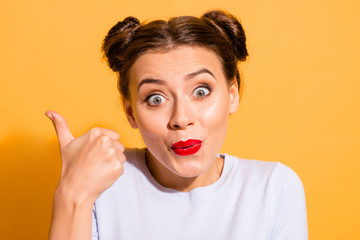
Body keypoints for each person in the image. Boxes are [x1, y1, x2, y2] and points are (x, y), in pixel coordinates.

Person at [47, 10, 308, 240]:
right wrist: (71, 194)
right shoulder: (100, 182)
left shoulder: (273, 187)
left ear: (232, 96)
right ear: (131, 113)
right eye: (156, 98)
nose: (181, 119)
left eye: (201, 92)